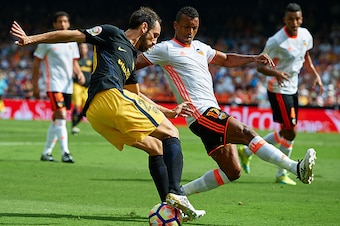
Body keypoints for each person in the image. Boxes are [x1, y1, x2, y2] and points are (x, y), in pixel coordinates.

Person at [10, 7, 205, 221]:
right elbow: (70, 35)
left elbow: (137, 96)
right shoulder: (112, 33)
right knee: (172, 134)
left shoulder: (130, 57)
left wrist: (169, 111)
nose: (154, 42)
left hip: (96, 114)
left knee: (156, 147)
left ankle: (170, 208)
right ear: (143, 27)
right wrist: (31, 39)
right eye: (155, 35)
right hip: (110, 97)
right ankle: (177, 192)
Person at [136, 6, 317, 197]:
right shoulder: (165, 49)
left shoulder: (200, 48)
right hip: (200, 113)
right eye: (186, 26)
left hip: (211, 112)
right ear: (175, 25)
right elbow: (134, 66)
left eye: (194, 27)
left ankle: (177, 196)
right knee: (246, 132)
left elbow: (226, 59)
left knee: (232, 171)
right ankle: (296, 168)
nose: (190, 31)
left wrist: (254, 58)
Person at [237, 3, 324, 185]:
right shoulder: (276, 41)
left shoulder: (306, 35)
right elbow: (260, 66)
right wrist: (276, 73)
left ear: (301, 19)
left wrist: (315, 74)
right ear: (284, 20)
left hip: (293, 87)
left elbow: (305, 56)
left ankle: (246, 152)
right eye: (291, 18)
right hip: (277, 88)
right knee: (291, 132)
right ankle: (282, 173)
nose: (295, 22)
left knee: (287, 130)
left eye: (298, 18)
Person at [31, 11, 85, 163]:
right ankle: (65, 152)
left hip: (67, 85)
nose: (63, 24)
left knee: (57, 119)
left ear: (69, 23)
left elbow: (74, 62)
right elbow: (36, 64)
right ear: (54, 24)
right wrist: (35, 85)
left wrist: (79, 73)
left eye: (65, 21)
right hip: (53, 83)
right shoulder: (47, 41)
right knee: (61, 116)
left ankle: (46, 152)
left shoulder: (72, 41)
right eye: (60, 21)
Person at [71, 43, 92, 135]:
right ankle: (73, 126)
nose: (83, 49)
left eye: (84, 48)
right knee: (76, 106)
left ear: (87, 49)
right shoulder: (76, 61)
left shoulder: (91, 61)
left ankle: (75, 125)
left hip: (87, 87)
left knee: (85, 109)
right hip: (77, 85)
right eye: (81, 48)